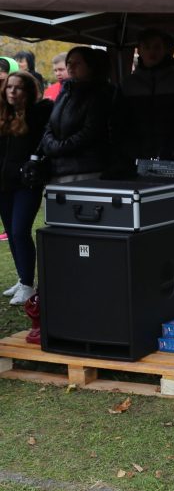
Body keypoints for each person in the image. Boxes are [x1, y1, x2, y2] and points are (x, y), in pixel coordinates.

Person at [0, 72, 52, 307]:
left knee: (21, 230)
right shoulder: (3, 114)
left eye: (18, 88)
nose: (12, 91)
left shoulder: (38, 114)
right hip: (4, 184)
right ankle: (23, 279)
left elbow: (44, 145)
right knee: (11, 231)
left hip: (27, 183)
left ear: (28, 91)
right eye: (9, 87)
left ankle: (28, 285)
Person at [116, 28, 174, 165]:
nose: (152, 52)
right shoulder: (127, 84)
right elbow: (119, 124)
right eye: (147, 47)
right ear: (139, 50)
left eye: (157, 47)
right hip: (134, 158)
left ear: (165, 50)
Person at [38, 46, 114, 183]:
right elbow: (51, 124)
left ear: (91, 66)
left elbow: (91, 131)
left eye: (77, 63)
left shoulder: (101, 93)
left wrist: (58, 147)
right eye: (69, 63)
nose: (71, 67)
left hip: (86, 169)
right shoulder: (65, 91)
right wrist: (50, 144)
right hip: (58, 168)